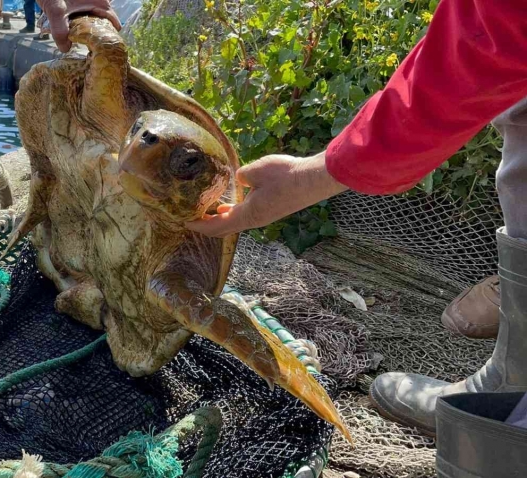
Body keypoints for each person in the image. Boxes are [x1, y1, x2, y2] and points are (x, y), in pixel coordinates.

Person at [36, 0, 527, 438]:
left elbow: (486, 36)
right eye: (142, 132)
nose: (143, 145)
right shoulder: (110, 117)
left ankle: (515, 403)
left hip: (96, 288)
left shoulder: (171, 273)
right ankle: (516, 382)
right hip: (65, 214)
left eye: (186, 164)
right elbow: (483, 37)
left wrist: (321, 173)